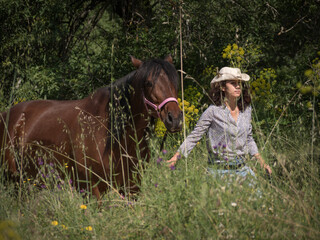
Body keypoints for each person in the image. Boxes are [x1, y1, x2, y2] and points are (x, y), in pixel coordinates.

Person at [167, 67, 272, 179]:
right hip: (219, 171)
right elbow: (194, 136)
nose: (237, 86)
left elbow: (249, 138)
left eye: (239, 83)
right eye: (233, 83)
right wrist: (175, 157)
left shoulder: (246, 110)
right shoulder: (213, 111)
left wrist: (262, 162)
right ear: (222, 87)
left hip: (243, 170)